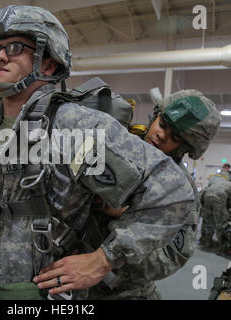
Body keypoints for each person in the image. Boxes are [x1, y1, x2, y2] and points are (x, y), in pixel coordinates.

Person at [0, 5, 195, 300]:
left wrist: (103, 260)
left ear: (48, 65)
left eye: (16, 47)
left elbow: (173, 192)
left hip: (46, 295)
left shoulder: (74, 127)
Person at [88, 89, 221, 299]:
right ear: (155, 115)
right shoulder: (116, 143)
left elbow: (171, 256)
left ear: (185, 147)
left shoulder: (178, 190)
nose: (161, 135)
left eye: (174, 137)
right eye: (162, 125)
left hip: (119, 291)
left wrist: (127, 223)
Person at [199, 176, 231, 252]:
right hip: (219, 197)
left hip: (207, 195)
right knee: (220, 222)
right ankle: (221, 244)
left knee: (209, 221)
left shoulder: (220, 182)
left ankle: (208, 241)